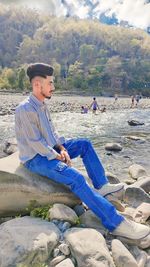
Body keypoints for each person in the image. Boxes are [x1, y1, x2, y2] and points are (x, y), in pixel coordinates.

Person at [15, 63, 150, 243]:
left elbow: (52, 133)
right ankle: (116, 224)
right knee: (76, 178)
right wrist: (57, 156)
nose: (53, 87)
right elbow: (35, 143)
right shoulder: (25, 109)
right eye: (50, 83)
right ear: (38, 85)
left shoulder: (42, 105)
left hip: (50, 149)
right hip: (35, 158)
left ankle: (101, 185)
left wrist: (62, 149)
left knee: (84, 144)